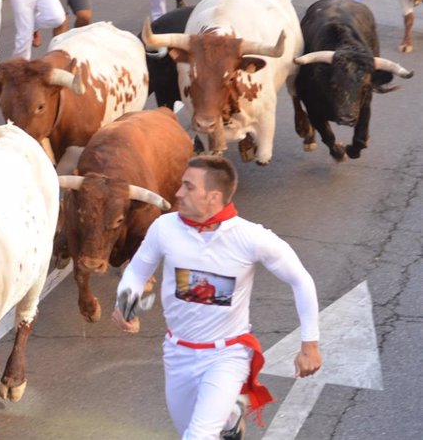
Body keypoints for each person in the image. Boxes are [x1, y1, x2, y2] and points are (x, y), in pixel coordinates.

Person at [112, 156, 322, 440]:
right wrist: (125, 304)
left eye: (188, 187)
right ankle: (232, 417)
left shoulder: (251, 238)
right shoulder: (165, 228)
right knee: (186, 429)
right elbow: (137, 270)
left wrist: (310, 344)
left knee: (198, 436)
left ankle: (226, 414)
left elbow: (301, 279)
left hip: (227, 354)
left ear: (213, 197)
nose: (178, 193)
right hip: (177, 352)